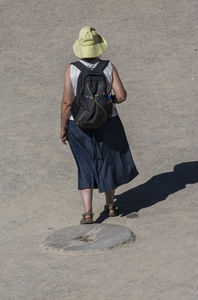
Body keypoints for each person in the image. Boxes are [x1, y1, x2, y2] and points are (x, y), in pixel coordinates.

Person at [60, 26, 138, 224]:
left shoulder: (72, 69)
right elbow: (121, 96)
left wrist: (63, 128)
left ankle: (87, 212)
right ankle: (111, 206)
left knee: (84, 164)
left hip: (78, 124)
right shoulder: (108, 67)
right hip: (108, 121)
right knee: (107, 160)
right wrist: (106, 100)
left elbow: (67, 103)